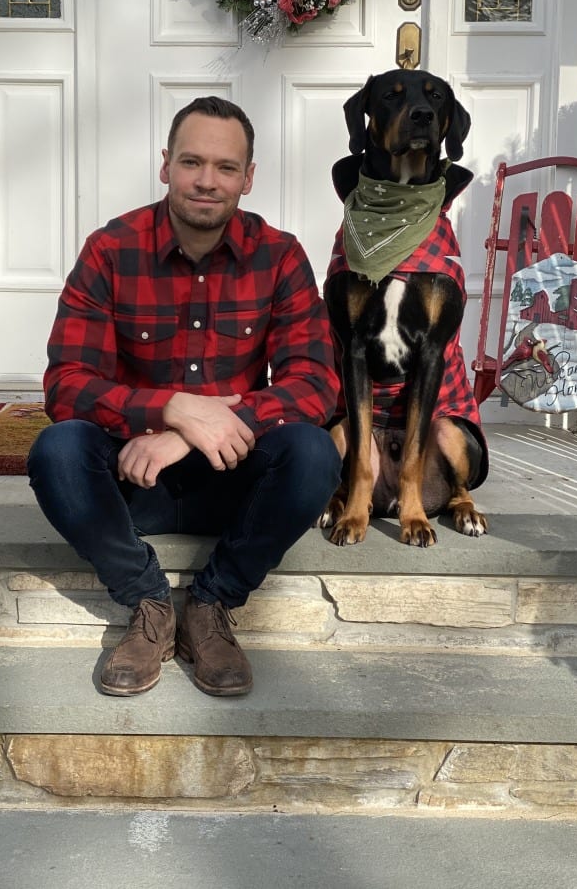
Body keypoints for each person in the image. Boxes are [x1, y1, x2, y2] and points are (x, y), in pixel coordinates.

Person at [28, 96, 342, 698]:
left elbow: (314, 384)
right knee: (58, 450)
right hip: (132, 480)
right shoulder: (110, 249)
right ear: (165, 164)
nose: (207, 180)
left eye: (226, 167)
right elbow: (66, 382)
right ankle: (148, 601)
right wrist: (168, 408)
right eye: (192, 162)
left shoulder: (279, 256)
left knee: (313, 453)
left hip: (232, 479)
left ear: (248, 179)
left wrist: (204, 422)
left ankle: (212, 603)